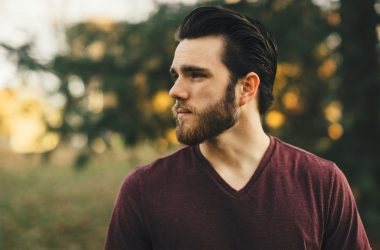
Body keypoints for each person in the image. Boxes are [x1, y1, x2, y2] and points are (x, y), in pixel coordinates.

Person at [105, 6, 371, 250]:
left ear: (246, 87)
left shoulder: (322, 184)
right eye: (177, 76)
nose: (175, 91)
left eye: (196, 75)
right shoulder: (144, 190)